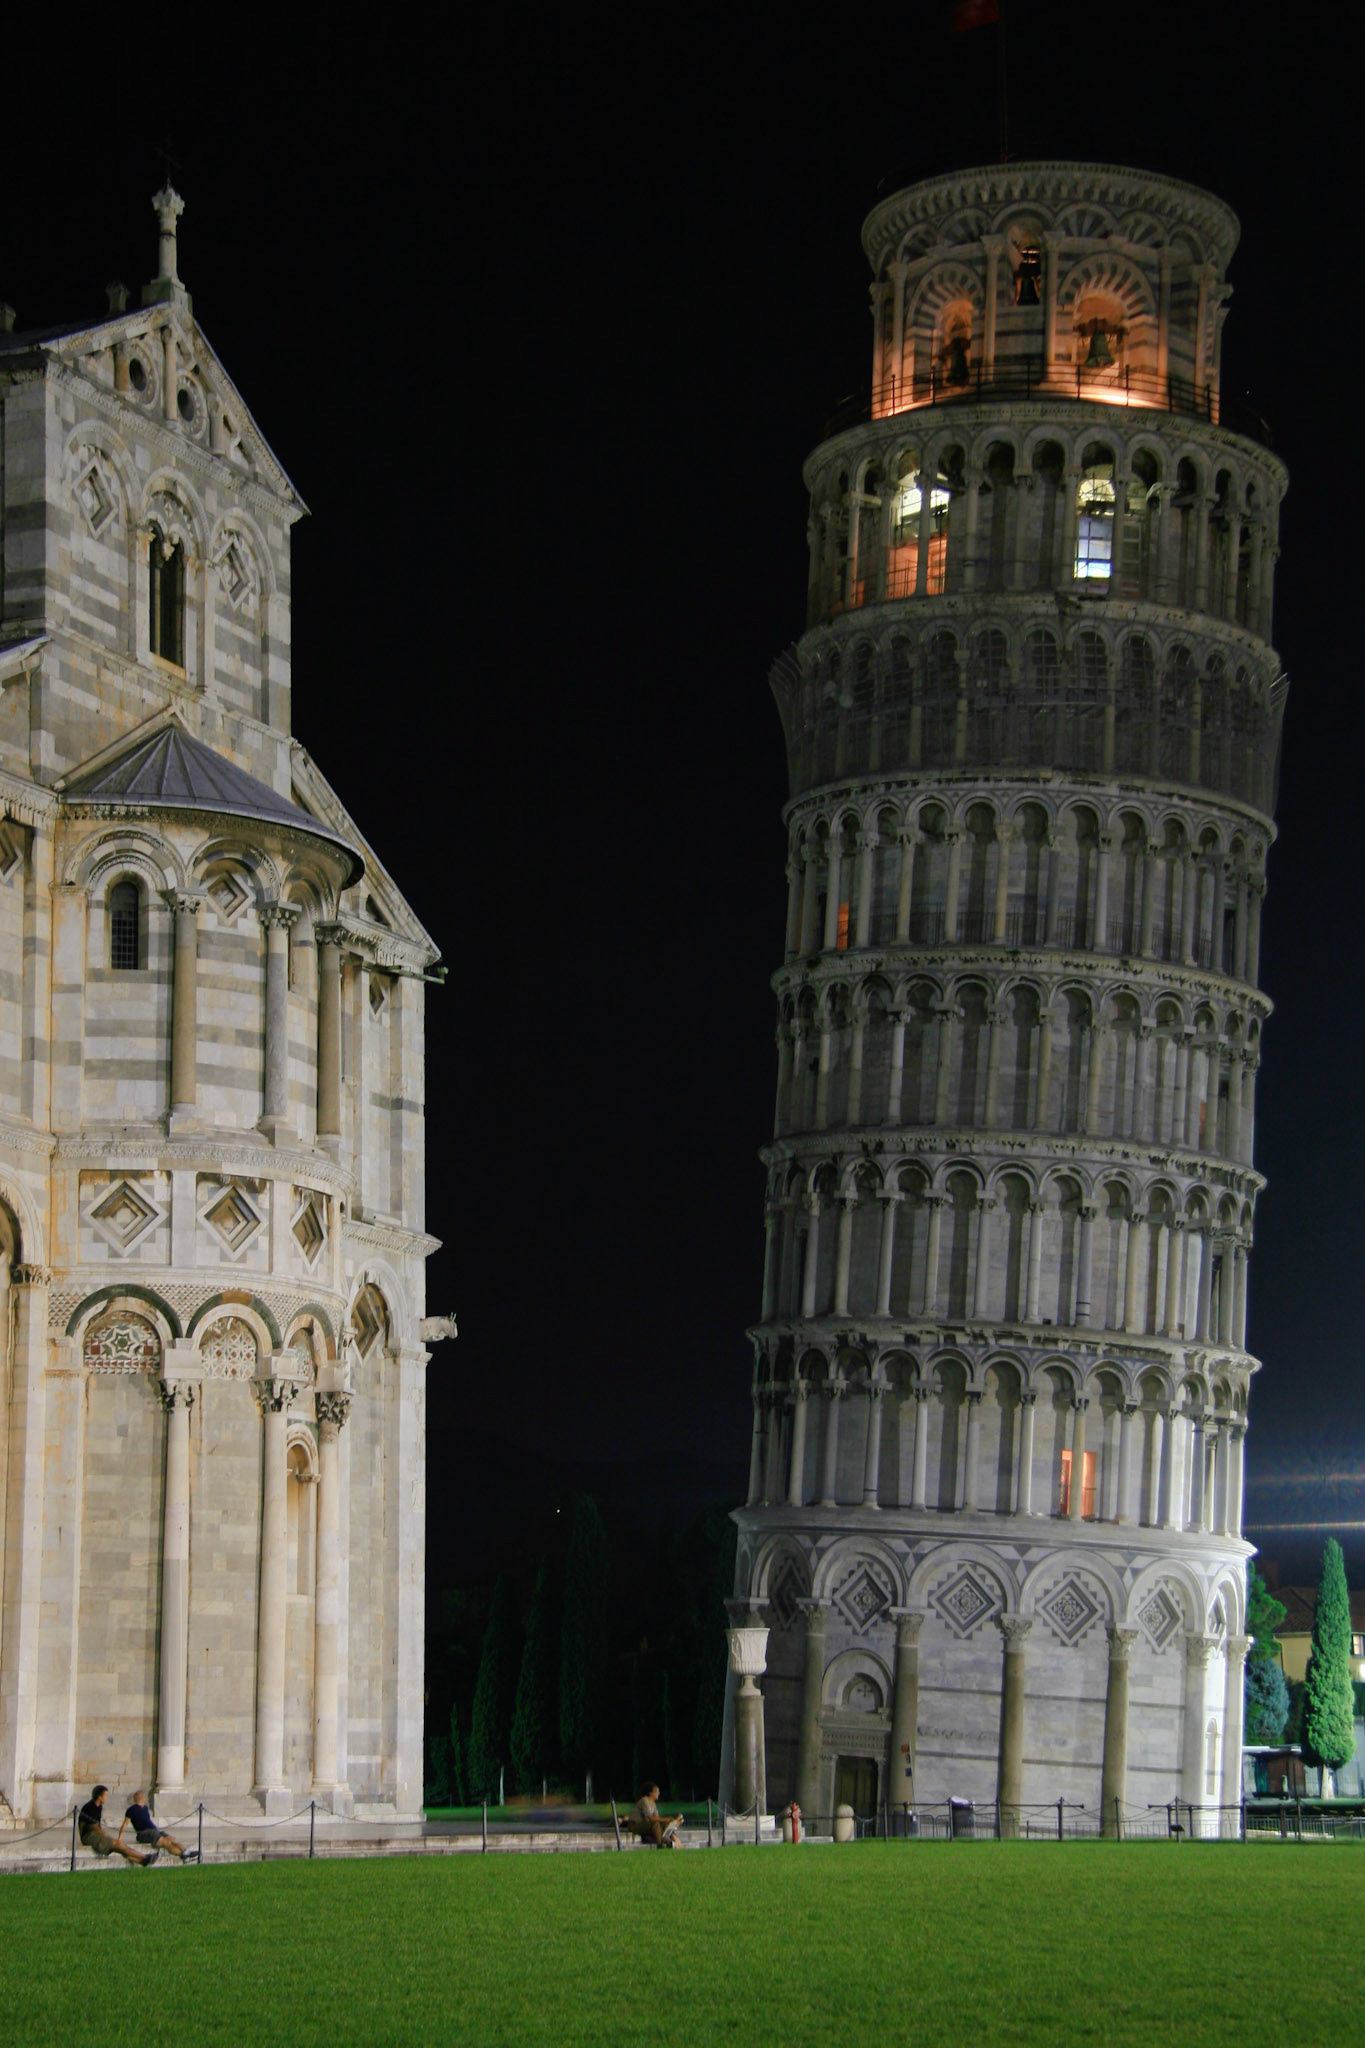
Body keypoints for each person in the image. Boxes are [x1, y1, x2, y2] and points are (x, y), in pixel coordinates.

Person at [78, 1785, 156, 1866]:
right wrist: (104, 1835)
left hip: (95, 1835)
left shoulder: (99, 1806)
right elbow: (92, 1826)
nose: (107, 1797)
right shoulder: (90, 1807)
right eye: (105, 1795)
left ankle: (142, 1861)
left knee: (119, 1846)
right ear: (99, 1797)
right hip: (89, 1836)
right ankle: (144, 1857)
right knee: (117, 1844)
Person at [118, 1791, 197, 1863]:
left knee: (172, 1839)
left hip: (153, 1831)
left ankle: (185, 1851)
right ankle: (183, 1854)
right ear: (142, 1798)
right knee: (167, 1843)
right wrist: (119, 1839)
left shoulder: (145, 1808)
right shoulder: (131, 1810)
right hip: (143, 1834)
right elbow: (125, 1824)